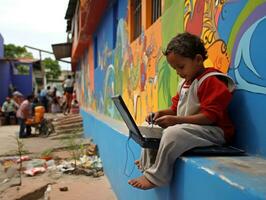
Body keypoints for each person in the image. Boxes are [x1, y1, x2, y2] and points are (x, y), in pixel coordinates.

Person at [128, 32, 235, 190]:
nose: (178, 72)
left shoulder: (211, 81)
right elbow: (174, 109)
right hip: (190, 128)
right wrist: (160, 114)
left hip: (215, 132)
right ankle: (147, 163)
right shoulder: (185, 83)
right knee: (149, 127)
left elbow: (209, 117)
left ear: (198, 60)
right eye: (174, 68)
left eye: (181, 66)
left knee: (173, 133)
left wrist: (176, 121)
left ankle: (155, 177)